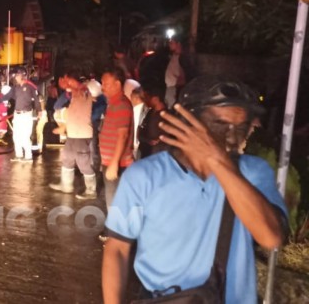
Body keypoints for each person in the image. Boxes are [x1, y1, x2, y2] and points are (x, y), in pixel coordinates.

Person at [102, 76, 288, 304]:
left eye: (241, 127)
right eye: (220, 124)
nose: (232, 136)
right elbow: (118, 249)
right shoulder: (144, 176)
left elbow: (271, 238)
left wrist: (218, 160)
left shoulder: (254, 172)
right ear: (190, 121)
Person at [49, 73, 96, 197]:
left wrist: (70, 82)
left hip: (81, 134)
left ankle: (91, 191)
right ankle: (66, 185)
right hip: (73, 134)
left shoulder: (85, 92)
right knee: (67, 158)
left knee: (83, 162)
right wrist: (63, 128)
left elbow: (80, 88)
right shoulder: (75, 97)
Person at [93, 68, 134, 204]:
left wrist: (114, 163)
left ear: (117, 84)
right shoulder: (113, 103)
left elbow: (122, 136)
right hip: (111, 161)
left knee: (115, 201)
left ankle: (116, 224)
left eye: (106, 84)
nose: (103, 88)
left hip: (116, 163)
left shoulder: (121, 104)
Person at [0, 67, 41, 162]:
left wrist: (39, 111)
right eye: (15, 76)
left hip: (26, 114)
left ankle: (28, 156)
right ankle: (19, 155)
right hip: (17, 114)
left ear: (23, 75)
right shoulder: (16, 87)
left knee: (25, 135)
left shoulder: (30, 86)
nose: (15, 77)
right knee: (16, 136)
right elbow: (8, 96)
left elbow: (36, 99)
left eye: (17, 75)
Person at [137, 81, 167, 158]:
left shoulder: (166, 116)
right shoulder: (149, 112)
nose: (144, 100)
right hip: (146, 152)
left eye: (146, 97)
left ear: (155, 98)